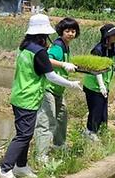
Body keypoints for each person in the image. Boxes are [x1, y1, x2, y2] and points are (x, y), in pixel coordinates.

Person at [0, 14, 82, 178]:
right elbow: (51, 76)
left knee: (25, 134)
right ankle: (5, 169)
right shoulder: (39, 51)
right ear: (43, 33)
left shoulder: (25, 47)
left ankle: (21, 166)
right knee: (23, 135)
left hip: (20, 94)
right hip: (28, 97)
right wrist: (71, 83)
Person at [33, 17, 80, 162]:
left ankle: (59, 145)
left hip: (58, 89)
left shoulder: (66, 45)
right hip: (49, 88)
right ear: (61, 32)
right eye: (68, 31)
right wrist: (63, 64)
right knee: (47, 121)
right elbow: (47, 59)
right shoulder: (58, 46)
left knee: (61, 117)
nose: (71, 34)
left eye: (73, 31)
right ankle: (41, 155)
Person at [83, 23, 115, 141]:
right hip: (93, 86)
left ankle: (100, 131)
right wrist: (101, 85)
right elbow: (97, 69)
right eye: (114, 34)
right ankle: (90, 132)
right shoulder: (98, 50)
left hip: (104, 85)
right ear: (107, 36)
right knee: (95, 110)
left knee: (103, 111)